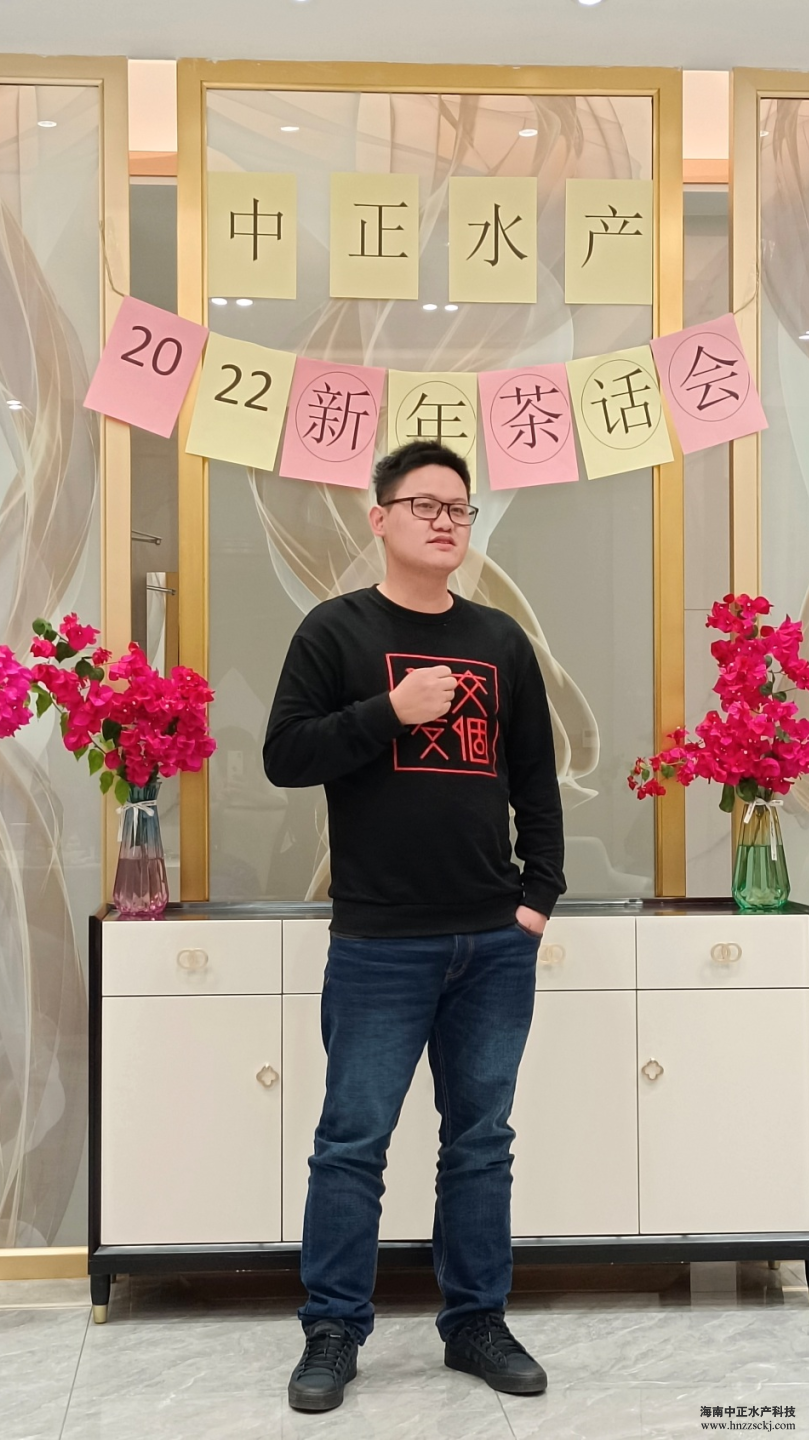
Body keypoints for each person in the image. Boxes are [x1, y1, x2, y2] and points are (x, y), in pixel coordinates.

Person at [263, 439, 566, 1413]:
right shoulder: (334, 630)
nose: (445, 521)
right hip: (379, 941)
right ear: (380, 517)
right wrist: (390, 711)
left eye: (458, 508)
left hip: (492, 942)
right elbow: (284, 756)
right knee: (351, 1142)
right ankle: (331, 1331)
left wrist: (537, 897)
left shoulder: (499, 640)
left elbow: (534, 780)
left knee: (479, 1141)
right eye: (424, 504)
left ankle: (475, 1322)